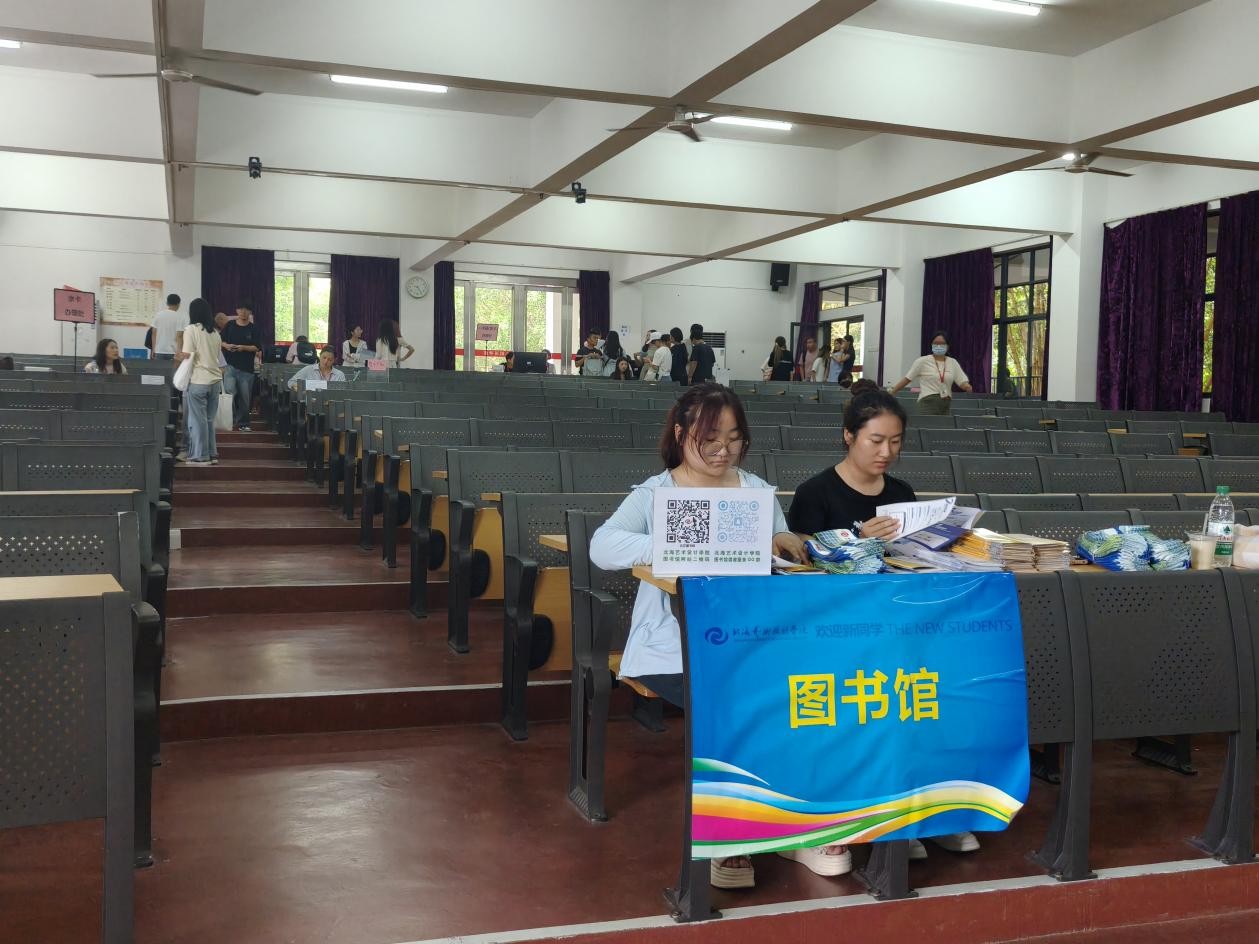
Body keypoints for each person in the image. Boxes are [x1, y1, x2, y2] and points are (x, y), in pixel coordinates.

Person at [590, 385, 845, 888]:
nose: (723, 449)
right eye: (710, 438)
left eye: (733, 437)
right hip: (677, 649)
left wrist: (783, 538)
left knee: (811, 690)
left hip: (755, 641)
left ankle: (799, 828)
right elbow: (603, 545)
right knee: (739, 701)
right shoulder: (657, 493)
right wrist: (683, 542)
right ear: (681, 434)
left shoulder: (754, 490)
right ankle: (732, 836)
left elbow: (776, 540)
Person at [787, 388, 980, 862]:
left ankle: (926, 811)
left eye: (895, 442)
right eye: (876, 440)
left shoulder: (901, 494)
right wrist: (856, 538)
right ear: (848, 436)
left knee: (944, 689)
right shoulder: (815, 493)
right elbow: (800, 562)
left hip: (896, 622)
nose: (886, 452)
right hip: (836, 629)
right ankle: (876, 815)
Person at [179, 298, 224, 465]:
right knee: (209, 420)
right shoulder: (215, 334)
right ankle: (211, 454)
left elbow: (188, 355)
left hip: (198, 380)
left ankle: (200, 456)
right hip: (215, 381)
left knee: (197, 421)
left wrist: (178, 356)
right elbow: (216, 358)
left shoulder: (191, 329)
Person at [889, 330, 973, 415]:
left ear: (947, 346)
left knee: (944, 423)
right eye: (936, 343)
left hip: (946, 402)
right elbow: (907, 379)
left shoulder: (952, 362)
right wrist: (893, 392)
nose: (938, 346)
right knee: (928, 423)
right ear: (931, 345)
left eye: (942, 343)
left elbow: (961, 380)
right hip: (928, 402)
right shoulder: (922, 361)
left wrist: (967, 386)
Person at [221, 302, 261, 432]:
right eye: (241, 309)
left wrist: (243, 347)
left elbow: (257, 347)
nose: (243, 312)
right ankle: (231, 419)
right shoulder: (230, 325)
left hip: (246, 368)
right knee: (230, 393)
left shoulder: (253, 328)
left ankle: (243, 423)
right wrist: (227, 346)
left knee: (245, 397)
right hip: (230, 366)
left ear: (250, 312)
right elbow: (220, 341)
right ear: (237, 310)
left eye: (246, 310)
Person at [150, 294, 184, 361]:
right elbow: (179, 336)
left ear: (167, 303)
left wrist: (153, 349)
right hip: (173, 352)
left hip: (159, 350)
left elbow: (153, 333)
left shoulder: (158, 315)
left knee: (159, 368)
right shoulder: (180, 317)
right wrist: (179, 352)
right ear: (178, 304)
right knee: (172, 368)